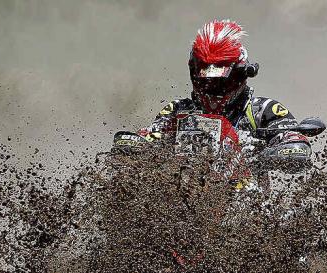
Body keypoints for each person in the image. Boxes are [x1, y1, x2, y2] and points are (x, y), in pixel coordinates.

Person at [114, 19, 312, 173]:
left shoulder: (262, 110)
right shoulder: (178, 110)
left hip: (250, 202)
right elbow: (151, 134)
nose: (212, 90)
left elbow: (292, 137)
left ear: (242, 74)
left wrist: (287, 147)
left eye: (220, 83)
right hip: (179, 201)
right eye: (206, 82)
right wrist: (137, 143)